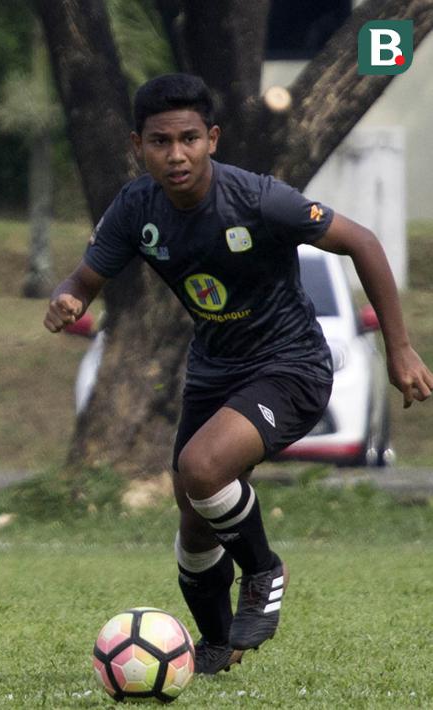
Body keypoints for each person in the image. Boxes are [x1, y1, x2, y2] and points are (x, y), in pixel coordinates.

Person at [44, 74, 433, 675]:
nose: (176, 155)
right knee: (193, 514)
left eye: (189, 139)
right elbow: (84, 279)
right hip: (215, 368)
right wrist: (68, 298)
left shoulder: (257, 199)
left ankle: (262, 571)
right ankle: (218, 644)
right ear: (137, 147)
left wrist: (401, 350)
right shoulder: (136, 209)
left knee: (201, 468)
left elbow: (363, 241)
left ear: (213, 139)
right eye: (160, 142)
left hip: (291, 364)